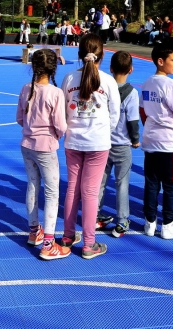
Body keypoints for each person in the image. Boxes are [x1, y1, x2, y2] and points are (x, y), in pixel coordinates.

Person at [60, 34, 119, 258]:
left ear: (79, 54)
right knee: (91, 192)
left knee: (73, 188)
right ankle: (88, 244)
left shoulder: (69, 79)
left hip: (74, 139)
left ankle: (67, 236)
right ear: (102, 55)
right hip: (98, 141)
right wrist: (104, 131)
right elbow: (115, 113)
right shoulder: (108, 81)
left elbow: (65, 108)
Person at [15, 49, 69, 259]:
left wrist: (31, 128)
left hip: (27, 144)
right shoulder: (55, 93)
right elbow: (60, 124)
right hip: (46, 147)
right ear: (53, 68)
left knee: (32, 185)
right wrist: (56, 135)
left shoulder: (26, 88)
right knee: (52, 192)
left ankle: (33, 230)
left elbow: (19, 117)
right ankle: (48, 243)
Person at [139, 46, 173, 240]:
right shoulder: (171, 84)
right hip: (169, 142)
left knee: (151, 183)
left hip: (151, 140)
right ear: (161, 61)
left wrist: (149, 126)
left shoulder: (146, 83)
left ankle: (150, 222)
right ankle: (168, 224)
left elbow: (143, 111)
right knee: (171, 185)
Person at [96, 51, 140, 237]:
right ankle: (122, 221)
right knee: (122, 184)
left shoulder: (103, 87)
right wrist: (135, 139)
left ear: (111, 68)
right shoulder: (132, 93)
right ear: (131, 69)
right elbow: (132, 120)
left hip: (103, 141)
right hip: (122, 144)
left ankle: (94, 215)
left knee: (100, 182)